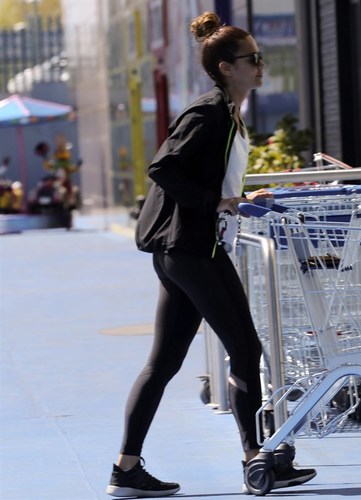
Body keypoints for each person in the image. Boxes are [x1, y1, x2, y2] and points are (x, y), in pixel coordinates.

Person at [106, 11, 316, 498]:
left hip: (191, 249)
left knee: (163, 363)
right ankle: (257, 461)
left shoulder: (229, 114)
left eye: (260, 58)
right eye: (252, 59)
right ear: (226, 66)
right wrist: (217, 202)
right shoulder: (209, 113)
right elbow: (164, 168)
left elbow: (209, 176)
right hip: (191, 249)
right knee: (245, 350)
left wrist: (240, 196)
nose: (260, 66)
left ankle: (126, 469)